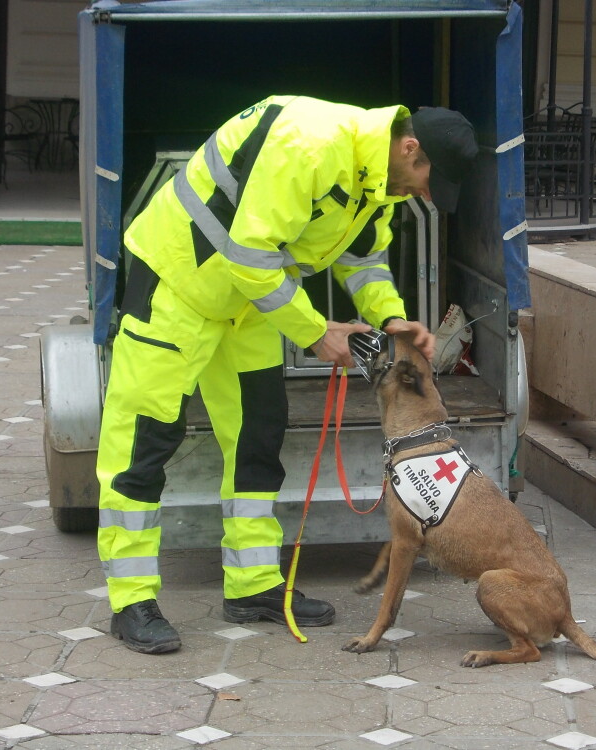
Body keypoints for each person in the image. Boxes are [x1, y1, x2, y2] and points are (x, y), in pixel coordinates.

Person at [99, 94, 479, 654]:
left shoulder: (377, 178)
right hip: (175, 286)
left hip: (247, 303)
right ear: (409, 146)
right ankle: (131, 600)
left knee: (257, 438)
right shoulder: (311, 145)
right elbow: (249, 252)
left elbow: (363, 259)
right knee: (144, 444)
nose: (422, 194)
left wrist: (391, 318)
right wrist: (314, 331)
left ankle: (253, 586)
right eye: (427, 179)